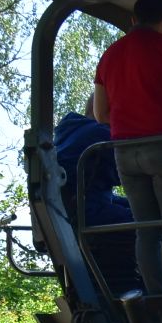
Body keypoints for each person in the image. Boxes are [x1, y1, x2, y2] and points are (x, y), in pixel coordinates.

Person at [92, 0, 162, 297]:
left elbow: (100, 114)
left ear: (132, 20)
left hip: (125, 154)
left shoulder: (110, 55)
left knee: (147, 233)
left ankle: (158, 303)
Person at [53, 100, 137, 291]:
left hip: (79, 211)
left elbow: (96, 189)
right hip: (89, 215)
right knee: (155, 222)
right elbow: (132, 172)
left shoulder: (71, 132)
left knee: (137, 210)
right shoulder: (100, 135)